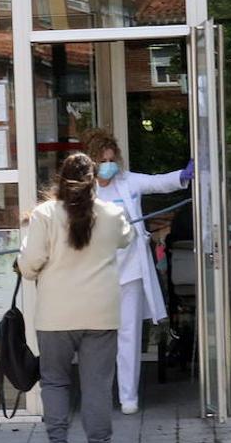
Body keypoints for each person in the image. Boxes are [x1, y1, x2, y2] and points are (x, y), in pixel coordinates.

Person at [18, 153, 133, 443]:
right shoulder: (111, 213)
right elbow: (128, 238)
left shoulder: (44, 214)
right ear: (94, 180)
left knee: (54, 381)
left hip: (56, 314)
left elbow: (30, 264)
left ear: (60, 179)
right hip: (101, 313)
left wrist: (23, 262)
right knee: (97, 384)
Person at [82, 129, 193, 414]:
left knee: (129, 335)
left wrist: (183, 175)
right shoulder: (82, 191)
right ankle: (99, 394)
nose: (109, 165)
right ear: (93, 162)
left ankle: (128, 396)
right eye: (103, 161)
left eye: (112, 159)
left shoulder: (127, 181)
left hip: (129, 271)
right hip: (96, 275)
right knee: (98, 338)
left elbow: (157, 183)